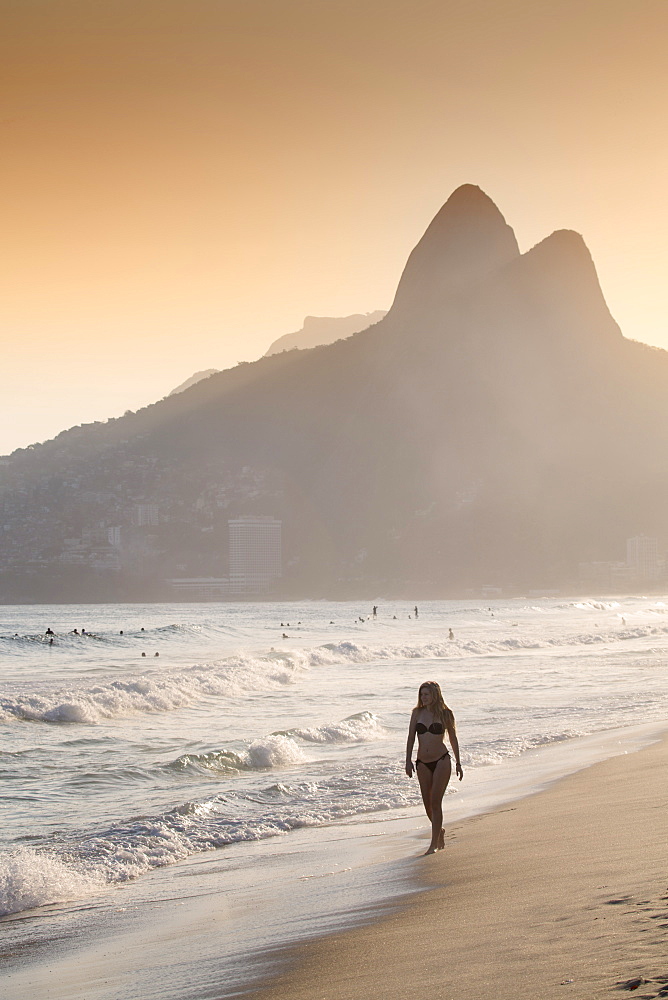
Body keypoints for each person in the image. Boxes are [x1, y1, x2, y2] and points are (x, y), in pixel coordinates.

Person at [405, 681, 463, 855]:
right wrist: (407, 761)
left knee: (436, 802)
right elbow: (410, 738)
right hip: (422, 762)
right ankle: (440, 830)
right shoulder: (417, 713)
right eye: (422, 694)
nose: (424, 697)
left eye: (427, 694)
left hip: (441, 760)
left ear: (435, 695)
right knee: (427, 804)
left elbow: (453, 739)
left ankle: (433, 844)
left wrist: (459, 763)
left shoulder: (446, 714)